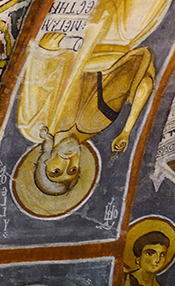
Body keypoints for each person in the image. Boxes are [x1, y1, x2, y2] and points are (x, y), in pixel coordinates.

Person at [13, 31, 155, 215]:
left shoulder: (34, 125)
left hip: (71, 38)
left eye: (56, 171)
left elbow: (36, 76)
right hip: (117, 39)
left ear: (43, 161)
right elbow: (144, 83)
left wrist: (46, 52)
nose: (68, 162)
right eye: (73, 170)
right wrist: (126, 131)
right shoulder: (99, 123)